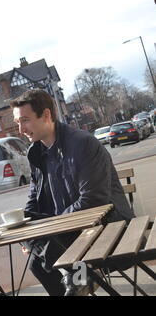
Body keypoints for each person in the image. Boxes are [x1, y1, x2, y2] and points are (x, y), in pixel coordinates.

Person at [10, 89, 134, 296]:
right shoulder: (36, 153)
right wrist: (28, 237)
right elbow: (33, 203)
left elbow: (93, 200)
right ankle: (76, 276)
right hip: (68, 234)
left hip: (106, 226)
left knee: (46, 252)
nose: (21, 128)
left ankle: (78, 276)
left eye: (25, 120)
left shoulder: (83, 144)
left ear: (47, 115)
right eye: (17, 122)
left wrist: (50, 229)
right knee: (36, 262)